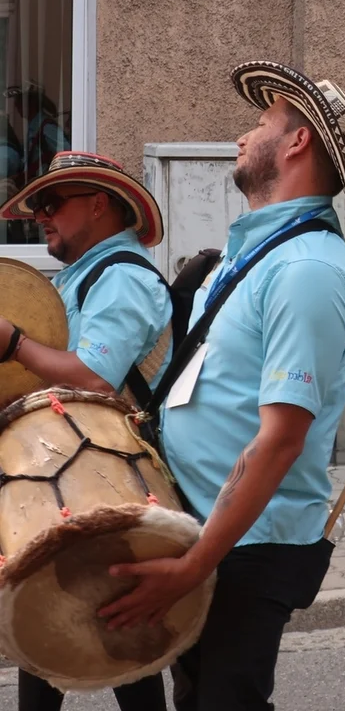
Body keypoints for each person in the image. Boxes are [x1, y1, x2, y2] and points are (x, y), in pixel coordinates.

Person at [95, 61, 345, 710]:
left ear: (298, 142)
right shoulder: (253, 256)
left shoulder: (306, 269)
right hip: (208, 529)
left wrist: (194, 565)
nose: (244, 137)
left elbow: (279, 442)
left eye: (261, 122)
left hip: (246, 547)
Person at [0, 151, 172, 710]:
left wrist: (13, 344)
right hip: (75, 474)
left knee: (110, 634)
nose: (40, 217)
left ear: (98, 204)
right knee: (67, 630)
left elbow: (95, 379)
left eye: (52, 204)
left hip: (98, 480)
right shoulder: (86, 277)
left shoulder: (120, 279)